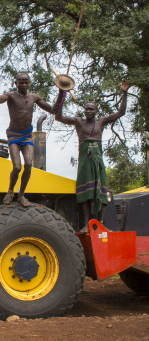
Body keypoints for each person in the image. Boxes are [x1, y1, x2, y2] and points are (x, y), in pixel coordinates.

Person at [55, 79, 130, 233]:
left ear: (96, 111)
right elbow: (58, 117)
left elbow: (121, 112)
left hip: (98, 161)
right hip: (84, 161)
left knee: (101, 192)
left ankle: (100, 223)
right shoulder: (78, 122)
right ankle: (86, 225)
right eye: (86, 109)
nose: (88, 111)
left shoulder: (101, 122)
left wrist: (124, 93)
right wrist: (62, 94)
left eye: (91, 109)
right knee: (84, 192)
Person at [0, 67, 58, 206]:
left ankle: (21, 195)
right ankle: (10, 191)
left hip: (27, 136)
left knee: (28, 164)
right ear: (16, 83)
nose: (23, 84)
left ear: (29, 83)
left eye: (26, 82)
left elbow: (53, 110)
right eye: (20, 82)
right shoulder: (10, 96)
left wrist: (62, 92)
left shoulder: (34, 97)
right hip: (13, 135)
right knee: (16, 167)